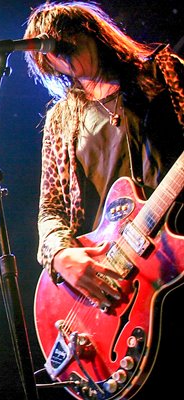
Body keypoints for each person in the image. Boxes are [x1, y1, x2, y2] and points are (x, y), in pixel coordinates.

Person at [23, 1, 183, 398]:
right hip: (114, 282)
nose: (61, 55)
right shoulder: (62, 119)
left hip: (172, 249)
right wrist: (62, 257)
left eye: (65, 41)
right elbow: (51, 209)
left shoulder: (160, 73)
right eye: (50, 53)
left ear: (91, 32)